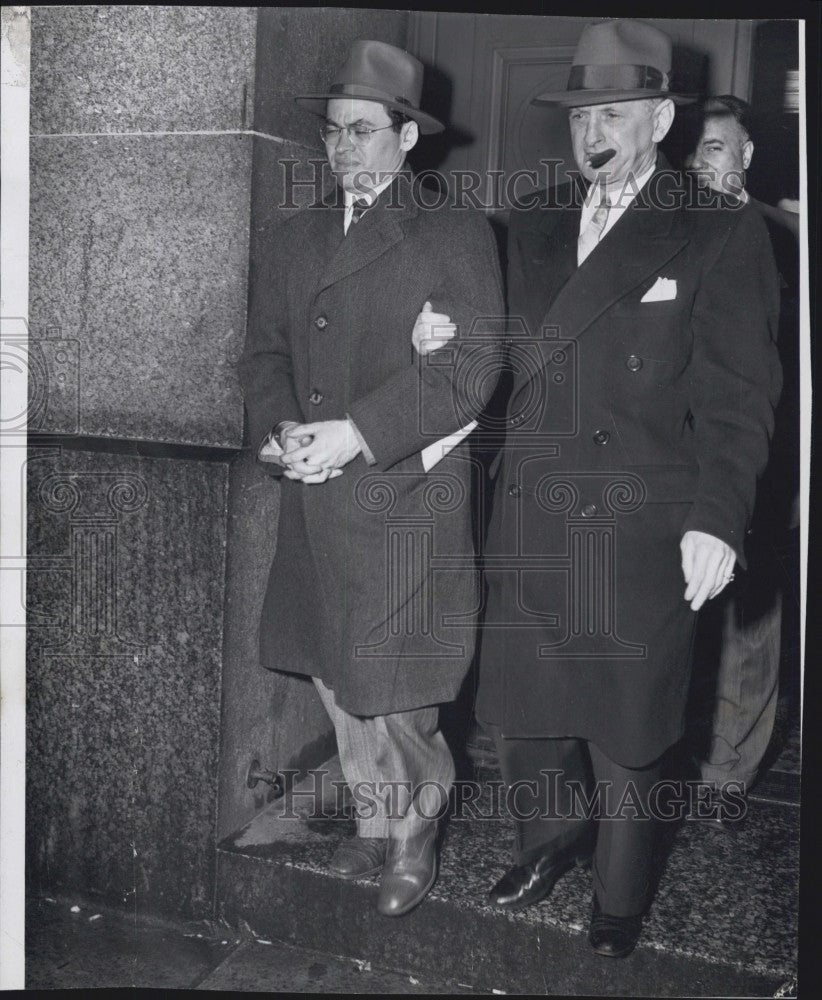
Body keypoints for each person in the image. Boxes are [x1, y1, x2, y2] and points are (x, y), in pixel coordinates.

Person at [471, 19, 781, 958]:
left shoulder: (720, 230)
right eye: (578, 115)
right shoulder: (528, 222)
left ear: (660, 117)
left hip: (641, 526)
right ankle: (550, 841)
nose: (591, 131)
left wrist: (717, 522)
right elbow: (495, 365)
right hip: (531, 510)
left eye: (612, 112)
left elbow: (739, 398)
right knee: (526, 721)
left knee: (630, 735)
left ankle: (620, 896)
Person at [238, 40, 503, 918]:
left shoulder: (456, 232)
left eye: (362, 131)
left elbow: (471, 369)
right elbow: (265, 355)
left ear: (407, 138)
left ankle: (417, 824)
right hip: (315, 494)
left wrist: (356, 433)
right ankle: (376, 819)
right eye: (333, 132)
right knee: (334, 674)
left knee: (395, 690)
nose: (343, 148)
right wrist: (279, 429)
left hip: (402, 501)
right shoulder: (291, 239)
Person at [686, 95, 800, 826]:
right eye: (694, 150)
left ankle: (728, 775)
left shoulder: (782, 237)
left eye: (718, 149)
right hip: (675, 457)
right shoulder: (664, 233)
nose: (702, 164)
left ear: (748, 156)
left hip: (766, 455)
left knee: (748, 629)